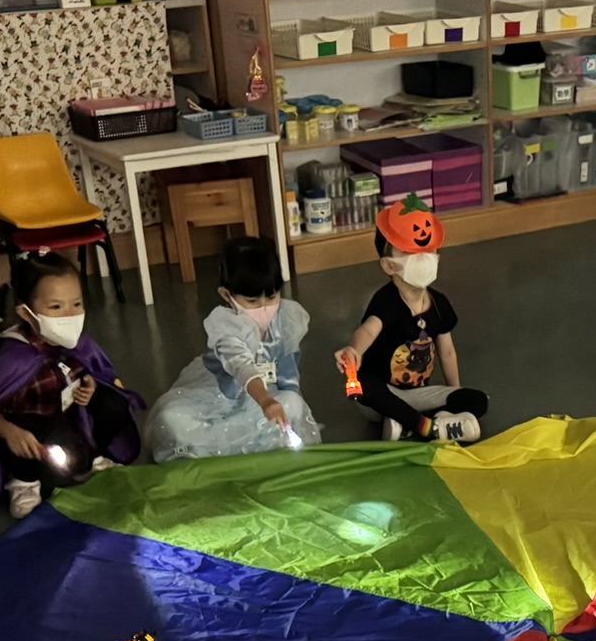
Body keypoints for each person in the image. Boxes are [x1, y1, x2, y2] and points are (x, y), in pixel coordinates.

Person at [0, 251, 144, 519]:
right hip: (35, 434)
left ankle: (93, 456)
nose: (69, 315)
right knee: (50, 441)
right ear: (26, 312)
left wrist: (90, 386)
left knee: (114, 402)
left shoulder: (79, 344)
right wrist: (10, 432)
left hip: (70, 420)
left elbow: (95, 372)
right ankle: (24, 481)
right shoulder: (12, 358)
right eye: (56, 307)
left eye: (77, 303)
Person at [147, 236, 321, 462]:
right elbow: (241, 366)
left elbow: (288, 370)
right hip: (221, 397)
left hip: (267, 399)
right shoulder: (226, 327)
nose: (264, 308)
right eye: (252, 302)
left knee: (292, 404)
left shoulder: (286, 320)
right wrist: (265, 400)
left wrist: (286, 404)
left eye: (272, 297)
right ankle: (225, 441)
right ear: (226, 295)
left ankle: (238, 440)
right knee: (171, 419)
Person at [333, 196, 486, 444]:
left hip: (416, 394)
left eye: (427, 250)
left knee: (477, 400)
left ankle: (407, 423)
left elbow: (447, 352)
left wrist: (455, 393)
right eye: (410, 252)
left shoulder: (439, 303)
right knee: (364, 383)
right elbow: (368, 330)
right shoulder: (386, 301)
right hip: (383, 393)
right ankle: (427, 427)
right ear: (389, 266)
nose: (422, 258)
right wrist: (354, 350)